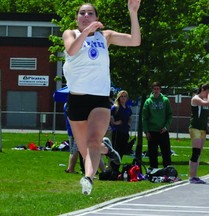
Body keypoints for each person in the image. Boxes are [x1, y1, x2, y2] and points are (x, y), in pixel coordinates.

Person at [62, 0, 141, 195]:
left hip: (99, 99)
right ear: (77, 18)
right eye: (82, 13)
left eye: (90, 14)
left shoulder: (106, 36)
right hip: (76, 99)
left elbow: (135, 40)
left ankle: (88, 178)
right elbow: (72, 50)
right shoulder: (71, 34)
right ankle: (107, 150)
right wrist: (87, 31)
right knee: (85, 150)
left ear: (97, 18)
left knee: (93, 141)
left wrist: (133, 13)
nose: (86, 16)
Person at [188, 83, 209, 184]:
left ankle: (195, 175)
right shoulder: (196, 98)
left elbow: (204, 117)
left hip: (202, 128)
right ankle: (191, 177)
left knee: (199, 153)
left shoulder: (204, 101)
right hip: (195, 128)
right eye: (207, 92)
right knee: (195, 152)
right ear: (202, 89)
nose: (207, 94)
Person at [142, 82, 173, 170]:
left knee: (166, 152)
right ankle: (154, 170)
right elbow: (145, 118)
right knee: (152, 153)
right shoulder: (148, 102)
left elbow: (170, 115)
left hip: (163, 131)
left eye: (158, 89)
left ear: (160, 89)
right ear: (152, 90)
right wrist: (146, 131)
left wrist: (166, 127)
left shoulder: (165, 100)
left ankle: (168, 170)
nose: (156, 90)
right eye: (154, 89)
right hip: (152, 131)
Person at [111, 90, 132, 171]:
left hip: (125, 132)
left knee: (122, 151)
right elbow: (109, 116)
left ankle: (117, 168)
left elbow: (130, 117)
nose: (123, 98)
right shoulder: (115, 107)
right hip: (117, 132)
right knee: (116, 151)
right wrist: (115, 123)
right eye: (121, 96)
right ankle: (114, 169)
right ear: (119, 98)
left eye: (124, 96)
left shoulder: (128, 108)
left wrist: (129, 124)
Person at [64, 103, 80, 174]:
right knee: (75, 150)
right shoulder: (72, 106)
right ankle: (71, 169)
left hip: (70, 130)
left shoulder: (65, 105)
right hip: (76, 130)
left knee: (72, 151)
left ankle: (69, 168)